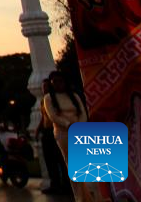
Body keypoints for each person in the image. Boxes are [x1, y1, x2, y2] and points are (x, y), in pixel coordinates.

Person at [43, 70, 94, 202]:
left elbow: (82, 112)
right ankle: (80, 197)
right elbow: (53, 116)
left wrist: (80, 125)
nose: (58, 84)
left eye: (60, 81)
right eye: (55, 82)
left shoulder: (74, 96)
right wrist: (68, 124)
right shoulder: (48, 98)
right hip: (63, 133)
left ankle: (94, 194)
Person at [37, 79, 68, 194]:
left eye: (46, 86)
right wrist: (38, 129)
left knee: (60, 158)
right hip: (46, 132)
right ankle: (55, 184)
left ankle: (66, 184)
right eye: (43, 87)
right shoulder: (44, 101)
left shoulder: (55, 100)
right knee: (49, 160)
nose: (44, 89)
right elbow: (44, 116)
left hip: (56, 130)